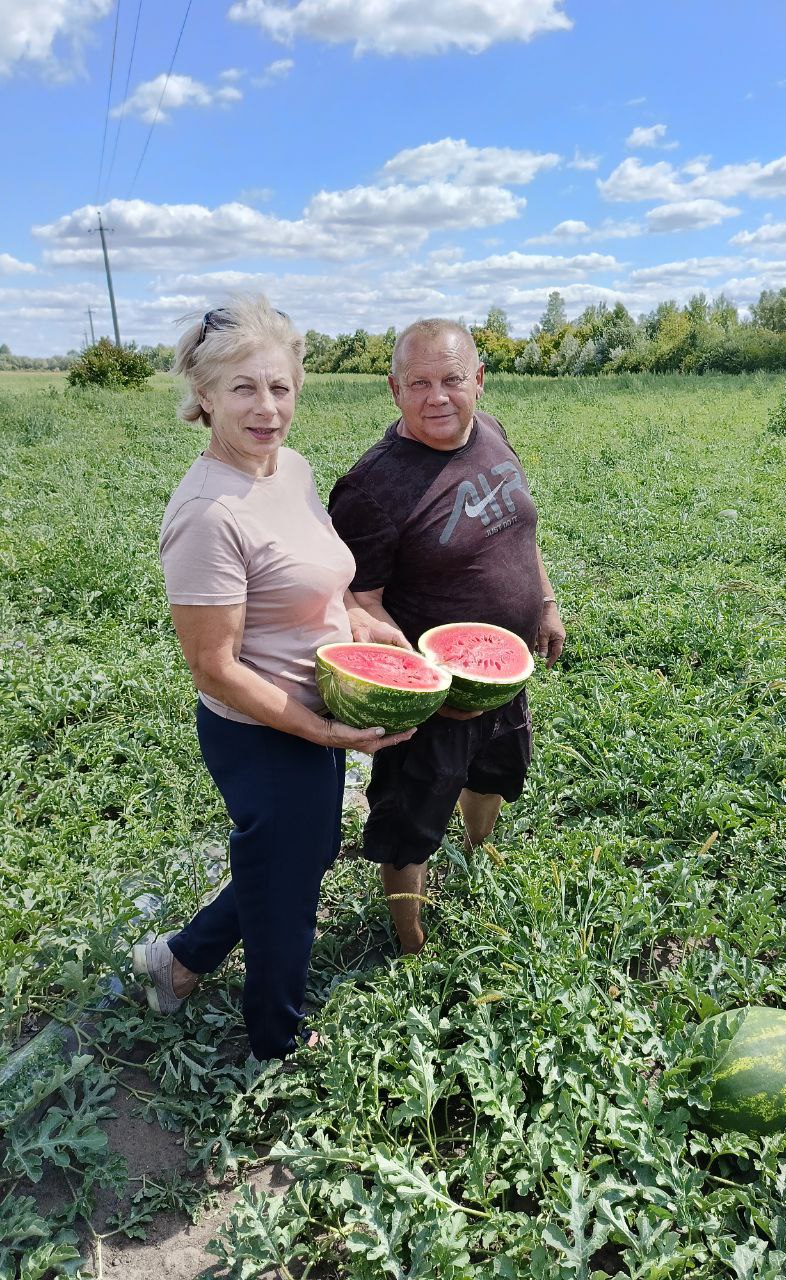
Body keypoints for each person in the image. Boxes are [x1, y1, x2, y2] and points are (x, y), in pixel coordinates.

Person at [134, 295, 414, 1062]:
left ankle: (179, 961)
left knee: (298, 855)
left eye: (280, 388)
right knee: (290, 891)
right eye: (243, 389)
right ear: (204, 397)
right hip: (260, 730)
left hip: (317, 706)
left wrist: (358, 623)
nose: (266, 409)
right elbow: (214, 667)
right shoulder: (205, 513)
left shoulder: (289, 468)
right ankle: (274, 1043)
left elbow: (315, 573)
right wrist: (322, 730)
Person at [328, 318, 565, 955]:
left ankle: (476, 853)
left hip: (504, 678)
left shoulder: (490, 431)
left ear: (479, 381)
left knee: (493, 776)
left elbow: (520, 530)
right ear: (394, 389)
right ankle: (410, 943)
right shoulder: (371, 488)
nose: (439, 397)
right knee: (409, 820)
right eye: (420, 383)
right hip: (433, 701)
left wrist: (543, 601)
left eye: (453, 380)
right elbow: (357, 600)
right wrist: (423, 684)